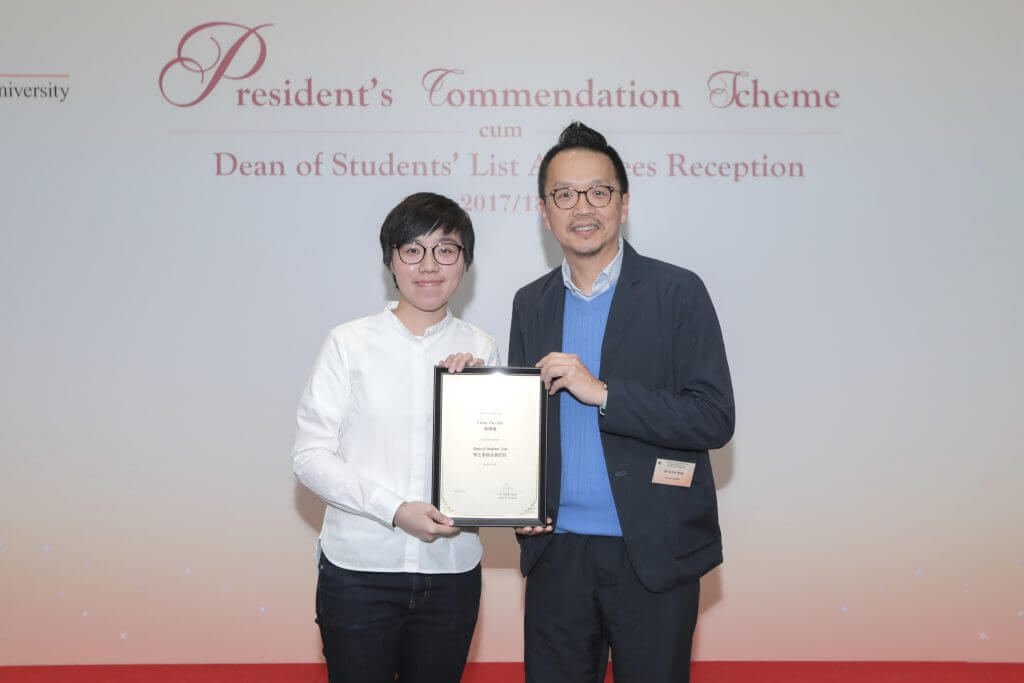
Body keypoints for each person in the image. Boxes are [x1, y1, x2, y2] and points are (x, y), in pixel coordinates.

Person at [509, 122, 735, 683]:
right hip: (557, 555)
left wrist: (604, 394)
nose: (582, 207)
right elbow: (522, 426)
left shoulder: (677, 291)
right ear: (544, 212)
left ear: (624, 203)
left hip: (652, 555)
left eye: (598, 191)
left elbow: (713, 417)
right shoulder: (530, 303)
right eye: (564, 194)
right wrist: (516, 505)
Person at [291, 192, 498, 683]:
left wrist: (478, 393)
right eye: (412, 250)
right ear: (391, 259)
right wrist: (394, 509)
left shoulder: (480, 347)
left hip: (451, 573)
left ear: (465, 261)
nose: (429, 265)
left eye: (445, 249)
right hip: (360, 572)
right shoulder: (348, 342)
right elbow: (310, 455)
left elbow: (490, 461)